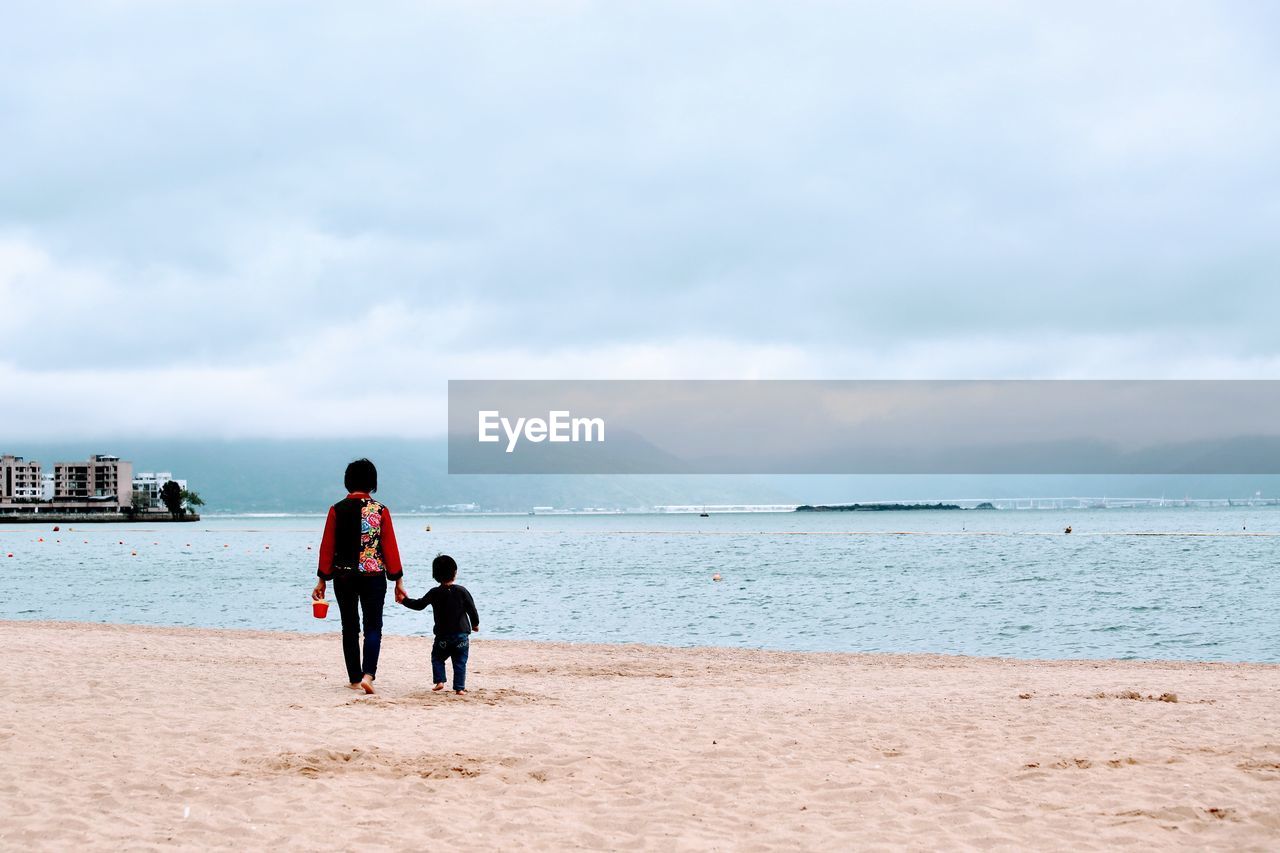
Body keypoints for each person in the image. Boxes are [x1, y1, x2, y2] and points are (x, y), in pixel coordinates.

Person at [312, 458, 406, 694]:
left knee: (349, 628)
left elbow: (327, 547)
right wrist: (398, 580)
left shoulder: (336, 509)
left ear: (347, 482)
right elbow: (390, 547)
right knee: (373, 627)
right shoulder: (380, 510)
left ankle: (354, 678)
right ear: (372, 483)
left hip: (343, 576)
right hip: (373, 575)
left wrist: (323, 578)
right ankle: (368, 675)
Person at [400, 554, 479, 695]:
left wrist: (404, 600)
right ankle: (459, 688)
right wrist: (475, 624)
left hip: (443, 636)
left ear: (435, 575)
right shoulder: (462, 591)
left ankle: (440, 681)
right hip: (461, 635)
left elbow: (419, 605)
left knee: (437, 658)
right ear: (455, 573)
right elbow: (471, 609)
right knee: (460, 662)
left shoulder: (434, 592)